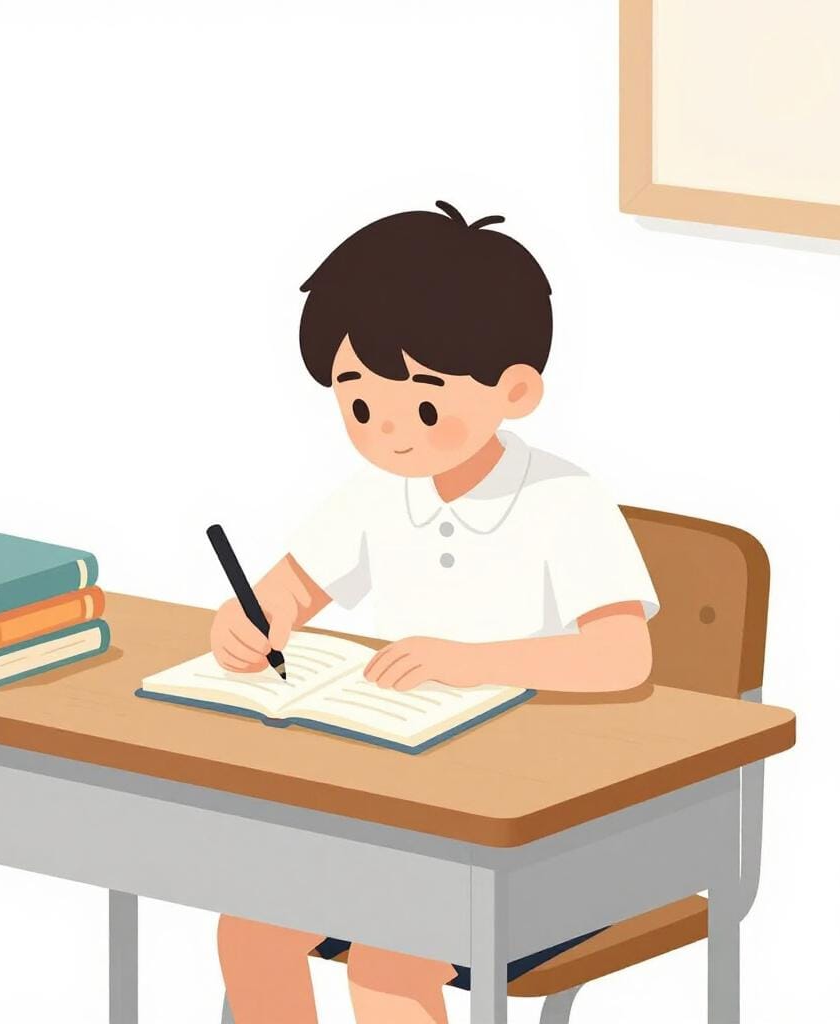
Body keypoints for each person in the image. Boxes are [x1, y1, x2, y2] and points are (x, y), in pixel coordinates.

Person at [212, 201, 659, 1024]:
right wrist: (249, 621)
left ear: (516, 390)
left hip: (547, 836)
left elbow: (623, 657)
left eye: (420, 406)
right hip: (404, 814)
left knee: (389, 959)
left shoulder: (566, 500)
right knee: (251, 930)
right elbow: (289, 590)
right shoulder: (376, 493)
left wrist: (467, 661)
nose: (390, 434)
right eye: (358, 405)